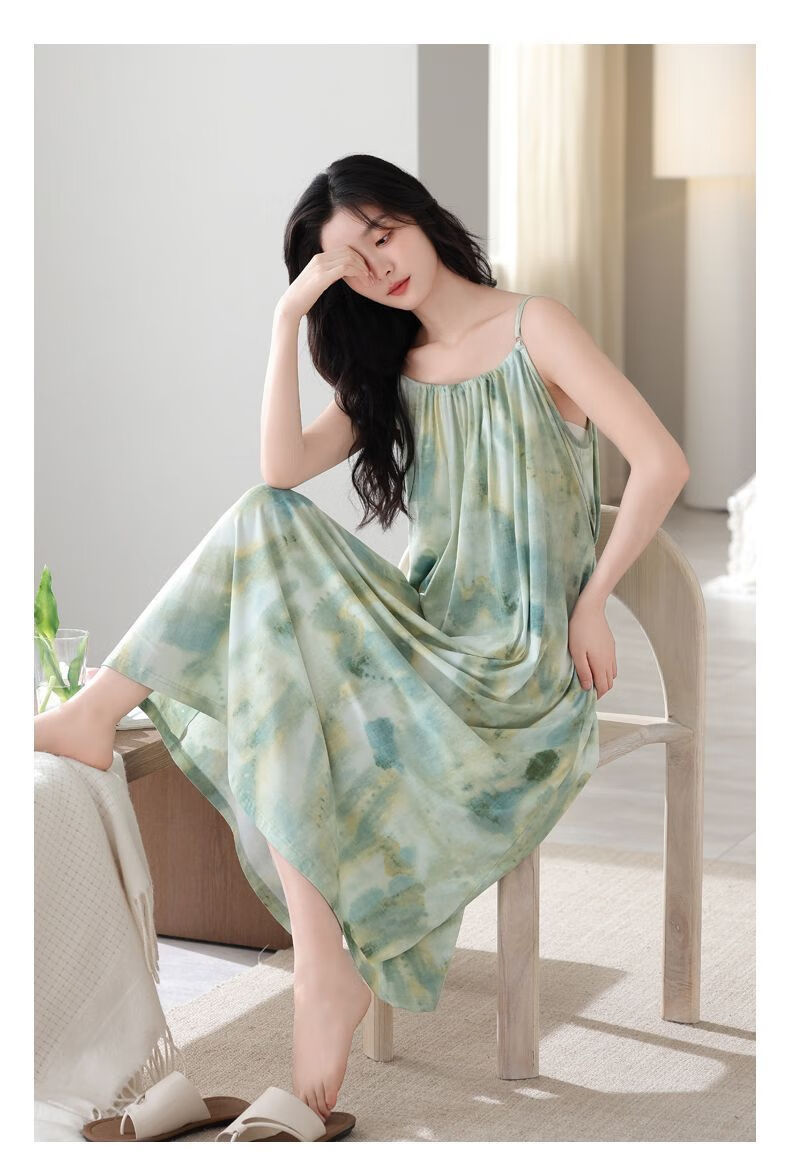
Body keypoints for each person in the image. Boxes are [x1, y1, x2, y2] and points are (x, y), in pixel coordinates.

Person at [34, 153, 690, 1125]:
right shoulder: (392, 367)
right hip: (420, 636)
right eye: (353, 261)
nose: (380, 267)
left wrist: (592, 600)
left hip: (511, 667)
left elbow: (661, 462)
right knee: (264, 534)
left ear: (420, 217)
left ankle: (109, 728)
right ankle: (319, 958)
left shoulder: (535, 326)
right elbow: (279, 471)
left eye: (383, 235)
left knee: (273, 643)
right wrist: (284, 320)